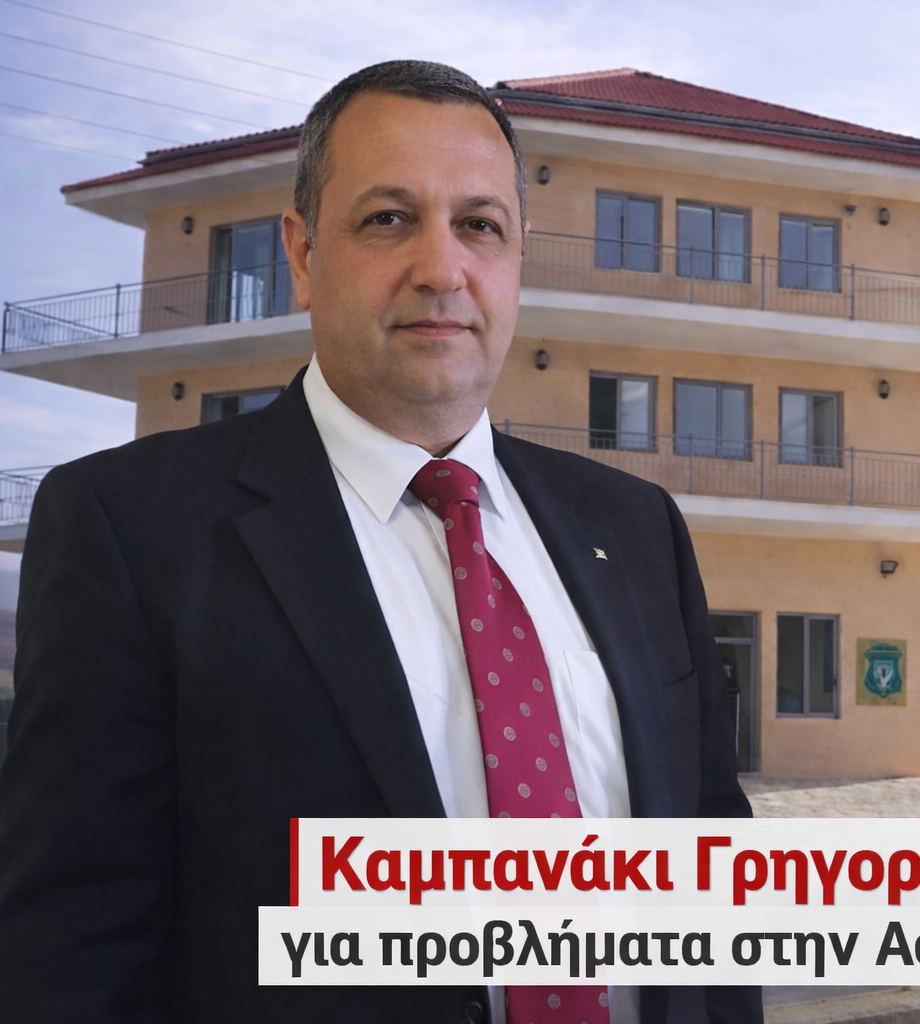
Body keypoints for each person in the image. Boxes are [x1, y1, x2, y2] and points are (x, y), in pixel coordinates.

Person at [0, 60, 759, 1024]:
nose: (442, 269)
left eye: (479, 225)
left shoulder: (636, 528)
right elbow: (72, 951)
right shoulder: (129, 529)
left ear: (517, 260)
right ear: (303, 253)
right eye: (389, 219)